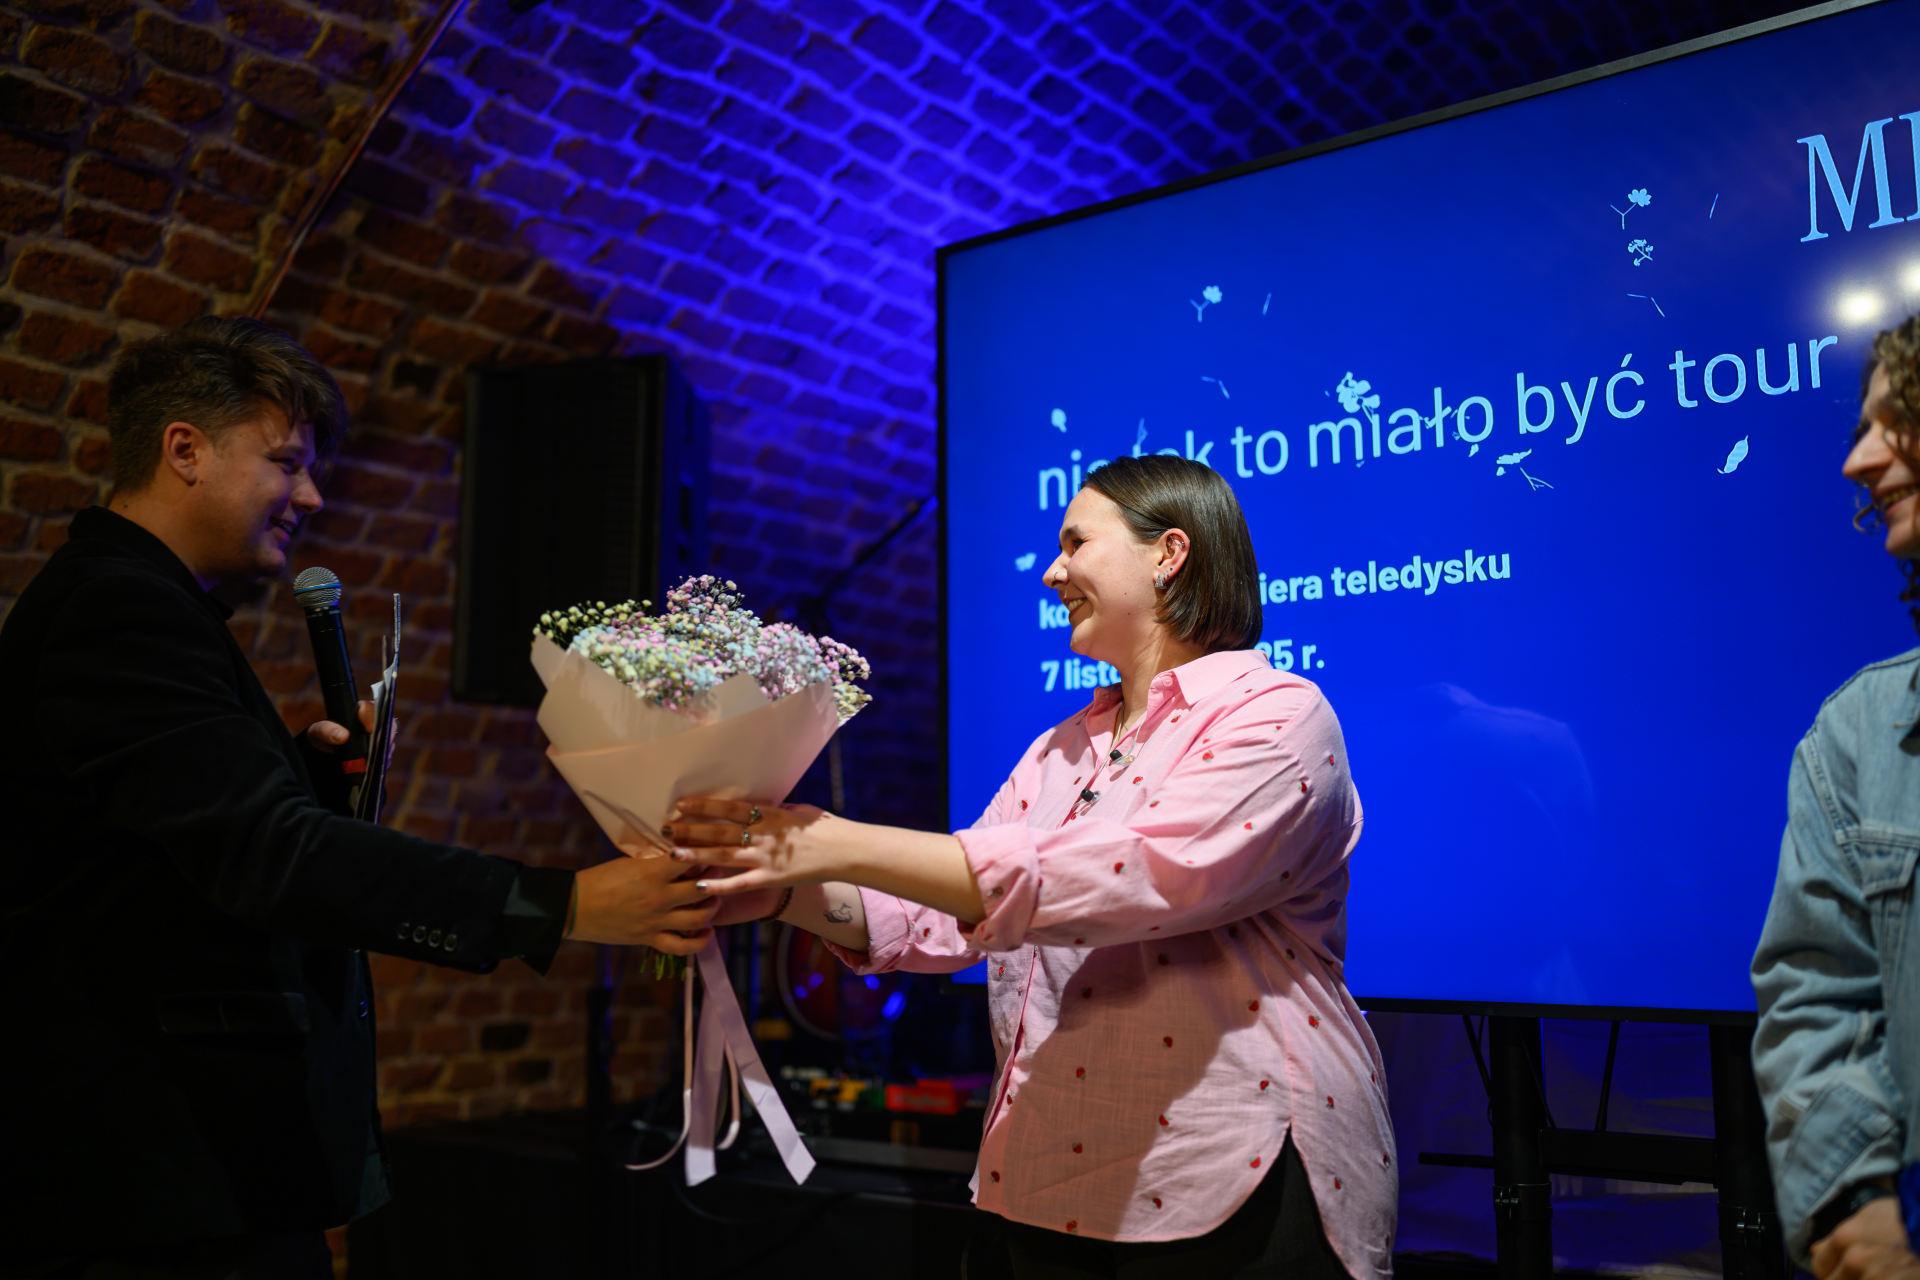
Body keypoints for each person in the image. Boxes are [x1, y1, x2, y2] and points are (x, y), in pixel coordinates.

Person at [0, 317, 718, 1279]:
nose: (311, 495)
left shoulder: (147, 605)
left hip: (187, 1180)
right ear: (185, 450)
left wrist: (300, 778)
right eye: (286, 461)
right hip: (151, 1186)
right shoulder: (120, 609)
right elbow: (271, 857)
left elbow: (167, 850)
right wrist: (562, 904)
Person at [671, 455, 1394, 1279]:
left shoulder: (1278, 712)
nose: (1052, 572)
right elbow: (941, 914)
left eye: (1076, 543)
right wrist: (777, 892)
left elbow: (1135, 875)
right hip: (1049, 1181)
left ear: (1169, 553)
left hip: (1230, 1175)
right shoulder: (1060, 749)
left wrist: (830, 839)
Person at [1753, 310, 1920, 1280]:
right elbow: (1815, 1000)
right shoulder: (1857, 733)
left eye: (1897, 420)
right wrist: (1864, 1204)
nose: (1857, 460)